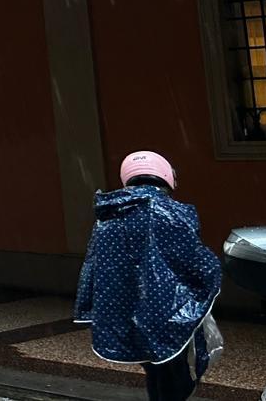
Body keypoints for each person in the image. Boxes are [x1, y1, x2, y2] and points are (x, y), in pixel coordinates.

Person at [75, 151, 222, 401]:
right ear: (166, 177)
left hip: (123, 309)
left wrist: (87, 306)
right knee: (174, 372)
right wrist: (212, 276)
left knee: (154, 369)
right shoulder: (172, 212)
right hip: (167, 308)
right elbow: (197, 261)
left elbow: (92, 264)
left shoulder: (108, 215)